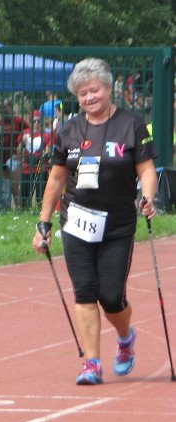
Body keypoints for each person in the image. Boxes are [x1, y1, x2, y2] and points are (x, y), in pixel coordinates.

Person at [32, 58, 158, 385]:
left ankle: (125, 337)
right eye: (83, 93)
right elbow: (57, 178)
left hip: (117, 224)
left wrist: (147, 197)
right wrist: (43, 222)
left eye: (95, 90)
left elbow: (145, 169)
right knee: (85, 291)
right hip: (76, 221)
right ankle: (92, 363)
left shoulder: (131, 124)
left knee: (112, 296)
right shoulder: (69, 130)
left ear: (108, 88)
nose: (90, 97)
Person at [13, 111, 52, 209]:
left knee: (41, 194)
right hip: (27, 167)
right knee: (25, 194)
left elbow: (48, 150)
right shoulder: (24, 133)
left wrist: (45, 154)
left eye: (39, 121)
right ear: (30, 122)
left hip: (41, 167)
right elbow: (18, 151)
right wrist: (22, 142)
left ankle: (40, 210)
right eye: (34, 121)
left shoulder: (46, 135)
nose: (36, 123)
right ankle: (24, 211)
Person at [0, 98, 29, 187]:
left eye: (4, 107)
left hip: (14, 159)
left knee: (14, 189)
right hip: (0, 160)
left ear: (11, 107)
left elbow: (30, 136)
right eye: (0, 108)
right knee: (0, 189)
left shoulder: (20, 122)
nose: (2, 110)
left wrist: (22, 151)